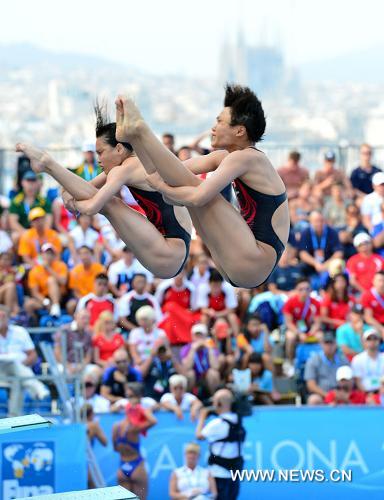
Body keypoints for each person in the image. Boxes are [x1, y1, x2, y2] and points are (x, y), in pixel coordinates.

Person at [116, 86, 289, 288]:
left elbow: (199, 196)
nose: (213, 128)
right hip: (238, 262)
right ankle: (136, 135)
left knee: (195, 189)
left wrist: (164, 189)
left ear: (240, 131)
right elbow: (166, 172)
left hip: (256, 261)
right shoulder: (225, 157)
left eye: (220, 122)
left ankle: (141, 129)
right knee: (180, 182)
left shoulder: (248, 157)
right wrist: (137, 147)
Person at [16, 102, 192, 279]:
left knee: (111, 205)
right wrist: (67, 191)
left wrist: (75, 203)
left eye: (100, 152)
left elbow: (92, 207)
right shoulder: (129, 163)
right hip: (169, 246)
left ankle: (48, 164)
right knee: (111, 203)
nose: (98, 159)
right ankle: (47, 165)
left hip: (169, 254)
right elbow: (87, 186)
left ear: (119, 148)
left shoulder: (124, 170)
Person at [196, 388, 245, 500]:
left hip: (219, 474)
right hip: (234, 475)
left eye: (214, 402)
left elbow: (199, 435)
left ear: (218, 403)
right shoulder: (238, 420)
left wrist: (202, 417)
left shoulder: (217, 424)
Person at [0, 305, 49, 415]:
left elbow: (33, 355)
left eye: (3, 316)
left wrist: (21, 365)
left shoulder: (20, 332)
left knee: (17, 377)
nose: (1, 319)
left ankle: (13, 417)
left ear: (8, 318)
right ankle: (37, 387)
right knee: (13, 365)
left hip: (17, 371)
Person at [113, 384, 157, 499]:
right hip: (136, 466)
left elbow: (115, 449)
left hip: (122, 467)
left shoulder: (116, 427)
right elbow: (153, 421)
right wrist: (141, 410)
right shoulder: (134, 428)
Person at [298, 211, 343, 289]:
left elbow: (339, 252)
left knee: (339, 263)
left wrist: (326, 264)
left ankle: (334, 287)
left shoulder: (332, 232)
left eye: (321, 220)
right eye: (316, 221)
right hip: (312, 265)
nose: (319, 223)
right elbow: (302, 253)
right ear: (310, 222)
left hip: (328, 264)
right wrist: (315, 263)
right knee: (301, 266)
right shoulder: (305, 233)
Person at [282, 278, 321, 361]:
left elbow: (317, 323)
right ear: (296, 290)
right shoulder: (289, 303)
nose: (304, 292)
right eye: (301, 289)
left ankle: (320, 360)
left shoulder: (315, 303)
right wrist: (299, 333)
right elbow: (288, 323)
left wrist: (311, 332)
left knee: (320, 336)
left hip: (309, 329)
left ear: (311, 290)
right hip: (295, 329)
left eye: (307, 289)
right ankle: (290, 361)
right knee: (290, 337)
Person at [304, 332, 349, 404]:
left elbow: (349, 381)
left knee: (354, 398)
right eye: (326, 343)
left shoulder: (343, 360)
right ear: (321, 344)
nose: (329, 346)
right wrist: (328, 395)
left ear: (336, 344)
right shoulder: (313, 360)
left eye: (331, 343)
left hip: (340, 392)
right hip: (322, 394)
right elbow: (311, 385)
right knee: (314, 399)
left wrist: (341, 394)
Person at [27, 243, 68, 318]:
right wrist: (45, 301)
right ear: (41, 255)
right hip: (44, 299)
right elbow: (34, 292)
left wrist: (48, 268)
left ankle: (56, 306)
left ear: (54, 255)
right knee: (29, 304)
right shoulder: (34, 271)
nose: (48, 256)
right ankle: (35, 323)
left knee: (51, 280)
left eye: (51, 254)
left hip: (60, 297)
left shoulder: (61, 265)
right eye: (46, 253)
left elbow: (63, 281)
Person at [180, 323, 220, 396]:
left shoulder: (211, 348)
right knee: (189, 374)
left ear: (205, 336)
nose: (198, 338)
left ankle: (214, 397)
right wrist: (193, 349)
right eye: (196, 335)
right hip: (194, 378)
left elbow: (216, 367)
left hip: (206, 378)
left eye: (201, 335)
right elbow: (186, 367)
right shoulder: (186, 348)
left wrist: (210, 349)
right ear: (192, 336)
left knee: (213, 373)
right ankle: (187, 397)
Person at [9, 170, 52, 236]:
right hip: (23, 233)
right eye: (28, 180)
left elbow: (48, 222)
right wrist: (27, 234)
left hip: (40, 233)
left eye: (33, 180)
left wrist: (41, 234)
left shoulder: (44, 201)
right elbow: (13, 222)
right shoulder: (16, 201)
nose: (31, 184)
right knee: (15, 236)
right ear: (22, 182)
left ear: (38, 183)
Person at [197, 269, 239, 336]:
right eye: (214, 286)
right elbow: (203, 309)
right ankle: (204, 339)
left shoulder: (228, 288)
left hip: (223, 314)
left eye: (218, 286)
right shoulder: (203, 288)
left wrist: (217, 314)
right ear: (209, 283)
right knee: (203, 317)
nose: (216, 289)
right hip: (210, 315)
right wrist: (209, 312)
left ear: (222, 284)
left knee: (232, 317)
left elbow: (232, 310)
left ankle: (238, 339)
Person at [54, 309, 93, 374]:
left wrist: (82, 366)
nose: (86, 321)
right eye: (83, 318)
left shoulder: (89, 333)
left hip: (81, 365)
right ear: (75, 317)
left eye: (88, 318)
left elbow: (88, 356)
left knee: (95, 371)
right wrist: (68, 366)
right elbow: (57, 353)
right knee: (60, 372)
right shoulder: (64, 330)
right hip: (64, 364)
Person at [351, 329, 384, 393]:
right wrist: (366, 394)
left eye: (375, 339)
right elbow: (358, 381)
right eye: (369, 339)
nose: (372, 341)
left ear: (379, 341)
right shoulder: (358, 359)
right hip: (365, 393)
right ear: (364, 342)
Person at [361, 271, 384, 339]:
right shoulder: (367, 295)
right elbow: (368, 318)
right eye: (380, 280)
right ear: (373, 281)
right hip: (375, 325)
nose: (382, 283)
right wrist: (382, 328)